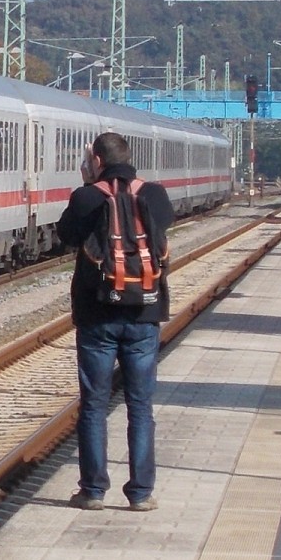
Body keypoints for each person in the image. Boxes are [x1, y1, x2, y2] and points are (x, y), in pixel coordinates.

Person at [56, 131, 174, 512]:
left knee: (94, 403)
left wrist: (89, 184)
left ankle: (93, 491)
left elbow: (66, 235)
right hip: (144, 314)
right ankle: (140, 493)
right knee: (140, 405)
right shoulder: (153, 194)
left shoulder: (87, 196)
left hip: (97, 316)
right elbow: (164, 228)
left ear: (96, 160)